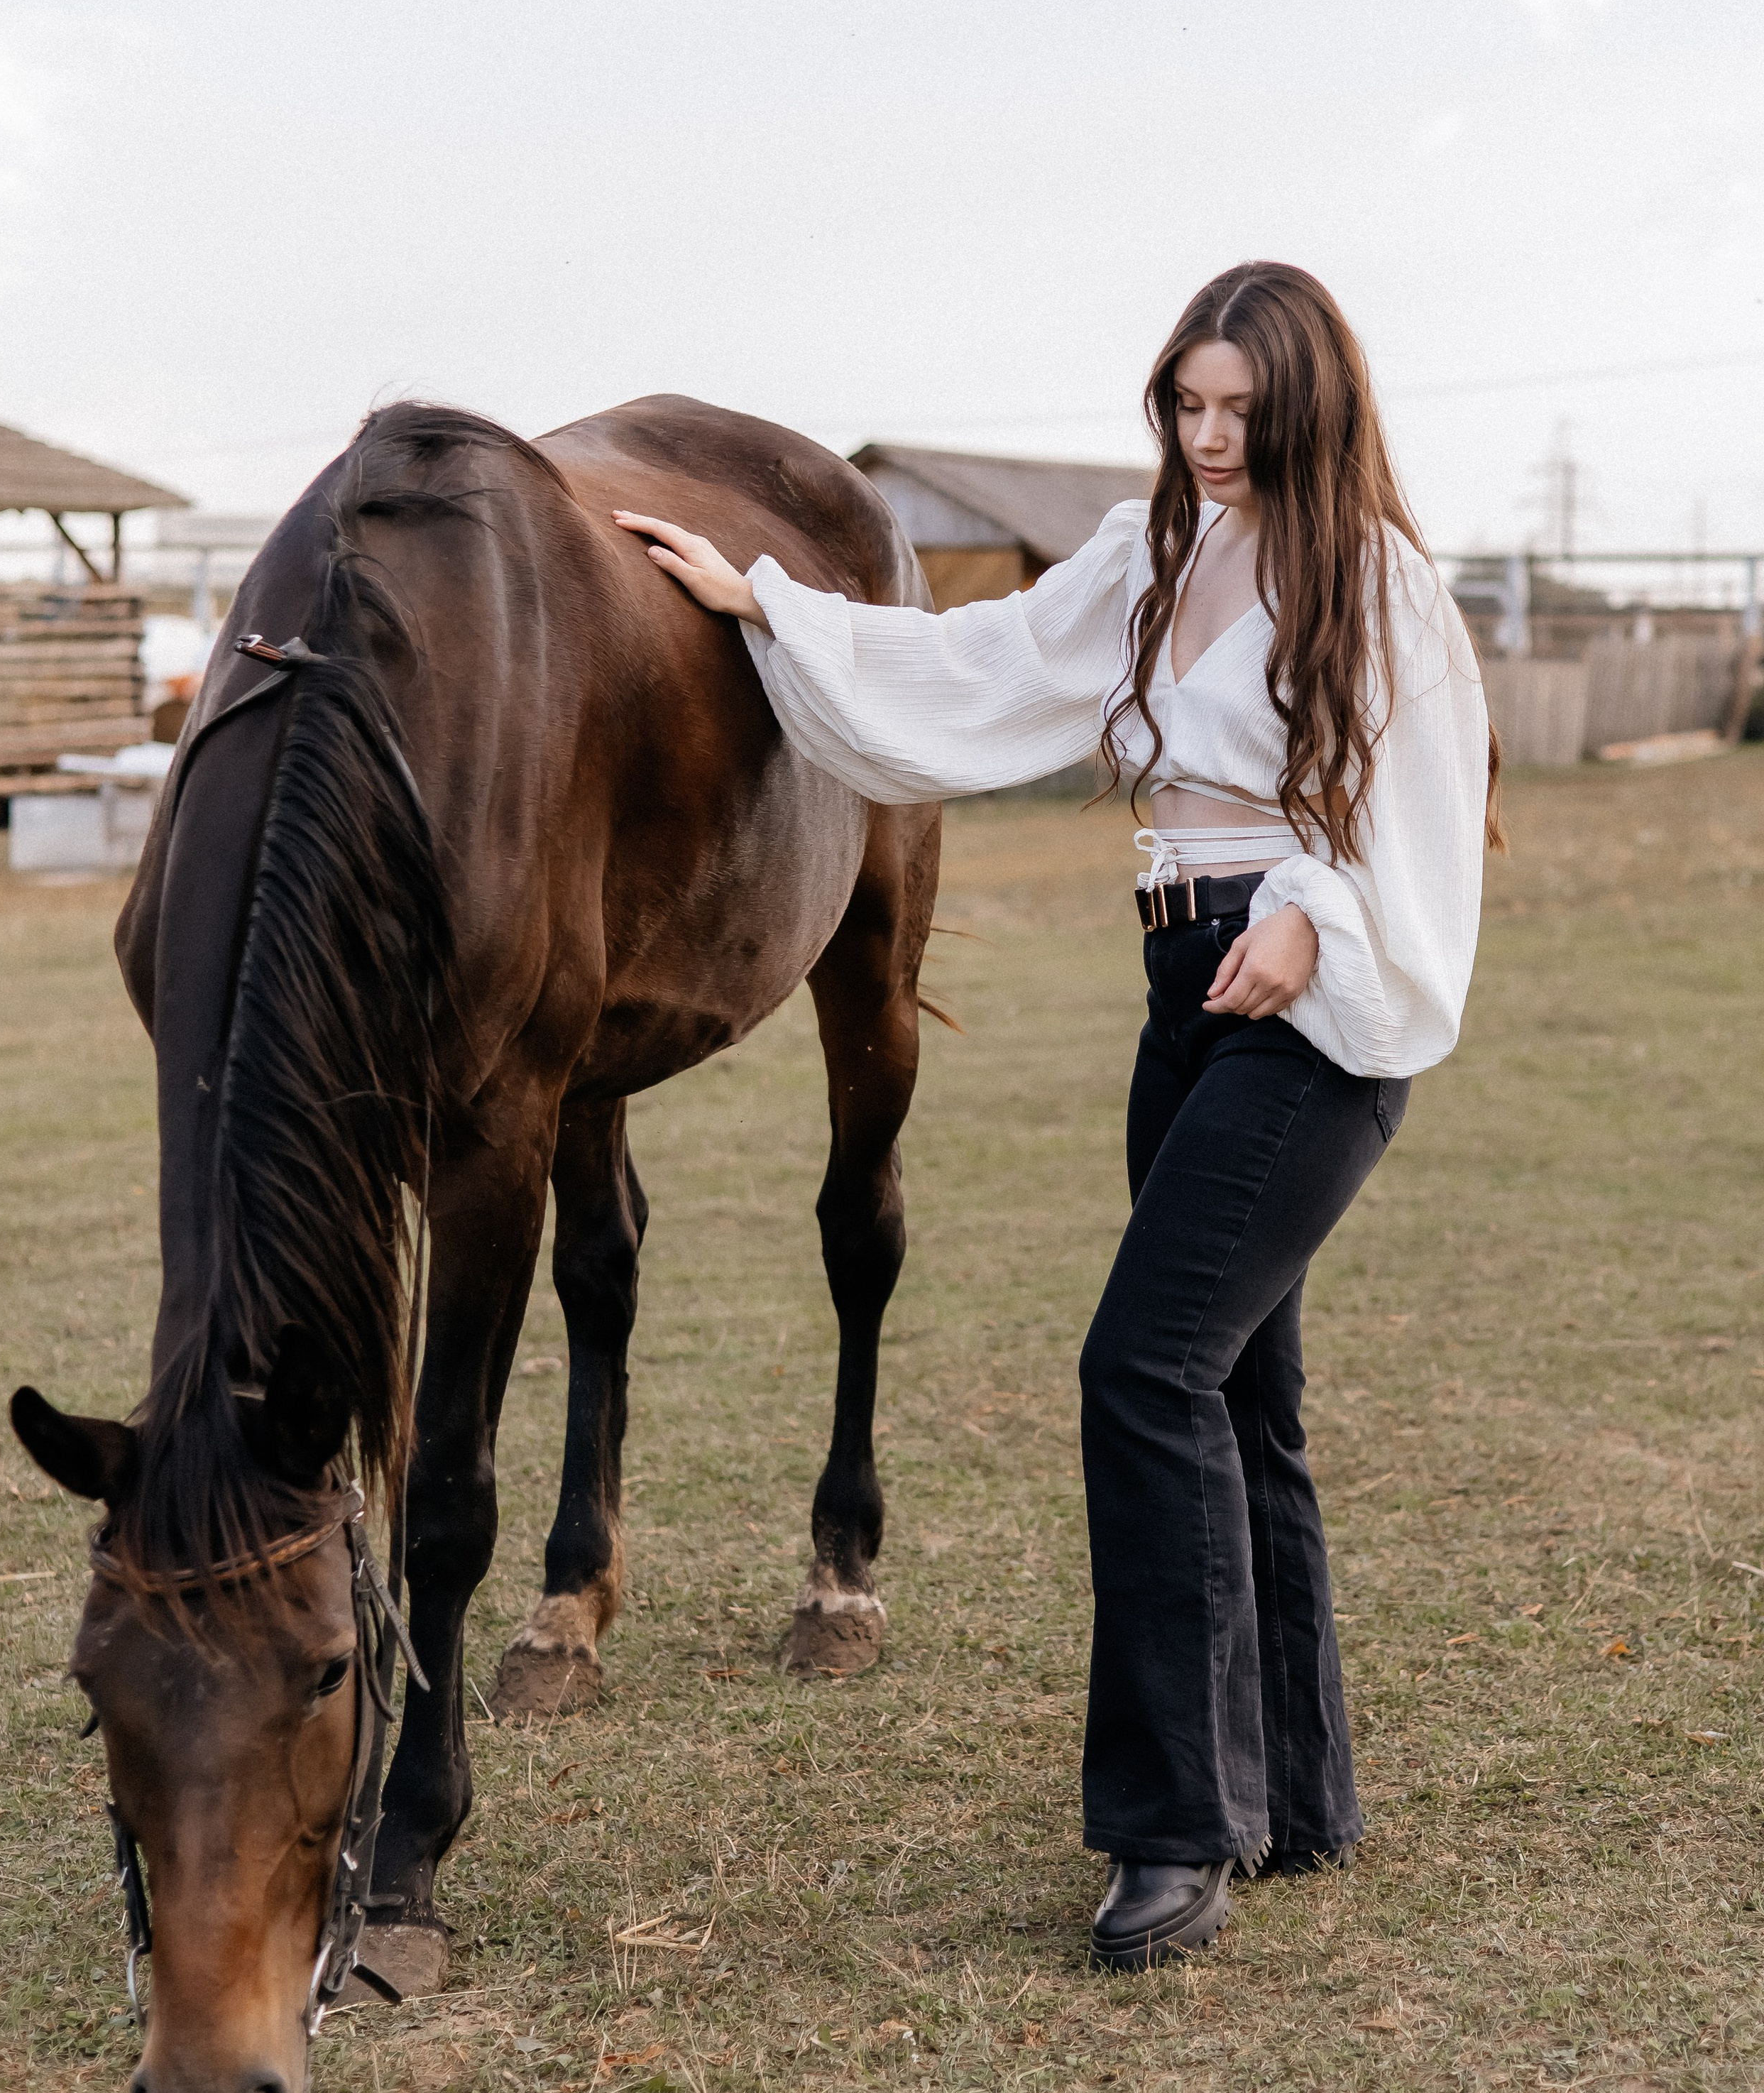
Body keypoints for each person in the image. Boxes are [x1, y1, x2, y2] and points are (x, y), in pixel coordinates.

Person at [615, 261, 1499, 1971]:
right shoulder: (1149, 552)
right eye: (1186, 403)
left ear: (1311, 408)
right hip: (1184, 987)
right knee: (1238, 1393)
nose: (1209, 438)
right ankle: (1294, 1791)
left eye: (1241, 410)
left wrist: (1315, 920)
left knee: (1141, 1369)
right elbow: (988, 660)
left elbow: (1419, 804)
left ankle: (1173, 1832)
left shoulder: (1375, 582)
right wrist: (767, 604)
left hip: (1311, 1002)